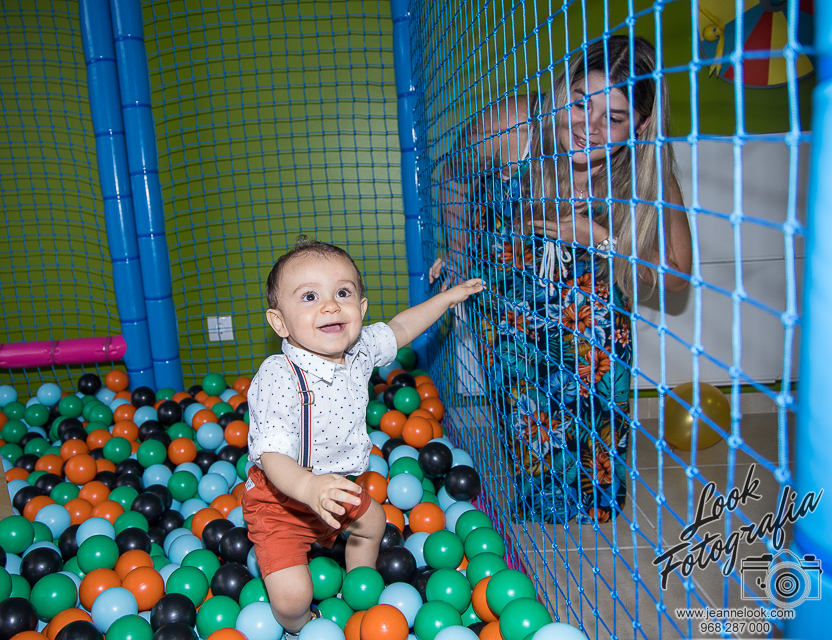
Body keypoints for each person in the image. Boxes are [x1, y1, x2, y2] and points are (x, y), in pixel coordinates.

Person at [430, 36, 692, 524]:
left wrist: (602, 239)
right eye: (580, 103)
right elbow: (452, 176)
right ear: (562, 91)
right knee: (533, 445)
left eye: (613, 118)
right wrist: (461, 258)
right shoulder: (512, 129)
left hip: (594, 315)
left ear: (640, 124)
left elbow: (677, 278)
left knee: (597, 470)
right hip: (509, 308)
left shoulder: (645, 169)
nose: (588, 128)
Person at [243, 237, 484, 635]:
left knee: (372, 524)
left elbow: (401, 327)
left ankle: (358, 588)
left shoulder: (360, 349)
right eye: (309, 297)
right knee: (291, 598)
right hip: (281, 501)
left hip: (339, 487)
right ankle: (301, 624)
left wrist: (446, 299)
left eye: (343, 293)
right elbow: (272, 457)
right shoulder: (278, 376)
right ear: (280, 322)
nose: (330, 305)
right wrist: (310, 488)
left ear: (362, 307)